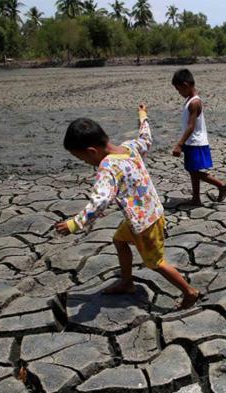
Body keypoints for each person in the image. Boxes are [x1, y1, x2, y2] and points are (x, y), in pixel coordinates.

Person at [54, 104, 200, 309]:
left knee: (156, 262)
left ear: (91, 151)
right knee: (119, 240)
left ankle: (189, 292)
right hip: (147, 215)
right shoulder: (129, 147)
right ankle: (127, 281)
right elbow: (146, 139)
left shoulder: (108, 167)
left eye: (82, 158)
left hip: (145, 224)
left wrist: (74, 224)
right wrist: (143, 117)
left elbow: (100, 201)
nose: (85, 162)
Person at [171, 68, 226, 206]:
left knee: (194, 171)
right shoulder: (190, 100)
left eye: (179, 90)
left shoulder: (194, 102)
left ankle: (221, 185)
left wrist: (180, 144)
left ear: (185, 85)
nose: (179, 93)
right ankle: (196, 198)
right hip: (192, 142)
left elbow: (191, 126)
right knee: (193, 171)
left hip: (196, 142)